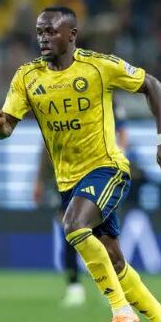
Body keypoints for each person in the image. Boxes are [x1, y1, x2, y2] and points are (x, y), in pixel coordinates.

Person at [0, 6, 161, 322]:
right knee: (113, 260)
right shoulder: (27, 77)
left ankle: (121, 312)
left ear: (71, 35)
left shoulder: (98, 67)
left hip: (107, 167)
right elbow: (8, 125)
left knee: (73, 225)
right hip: (67, 180)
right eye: (39, 32)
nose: (43, 38)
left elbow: (152, 85)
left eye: (51, 31)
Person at [33, 100, 129, 308]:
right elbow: (46, 143)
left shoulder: (107, 97)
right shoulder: (62, 98)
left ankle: (112, 288)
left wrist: (116, 154)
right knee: (69, 230)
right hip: (69, 175)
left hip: (101, 174)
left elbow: (122, 132)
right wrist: (39, 179)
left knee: (105, 234)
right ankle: (74, 286)